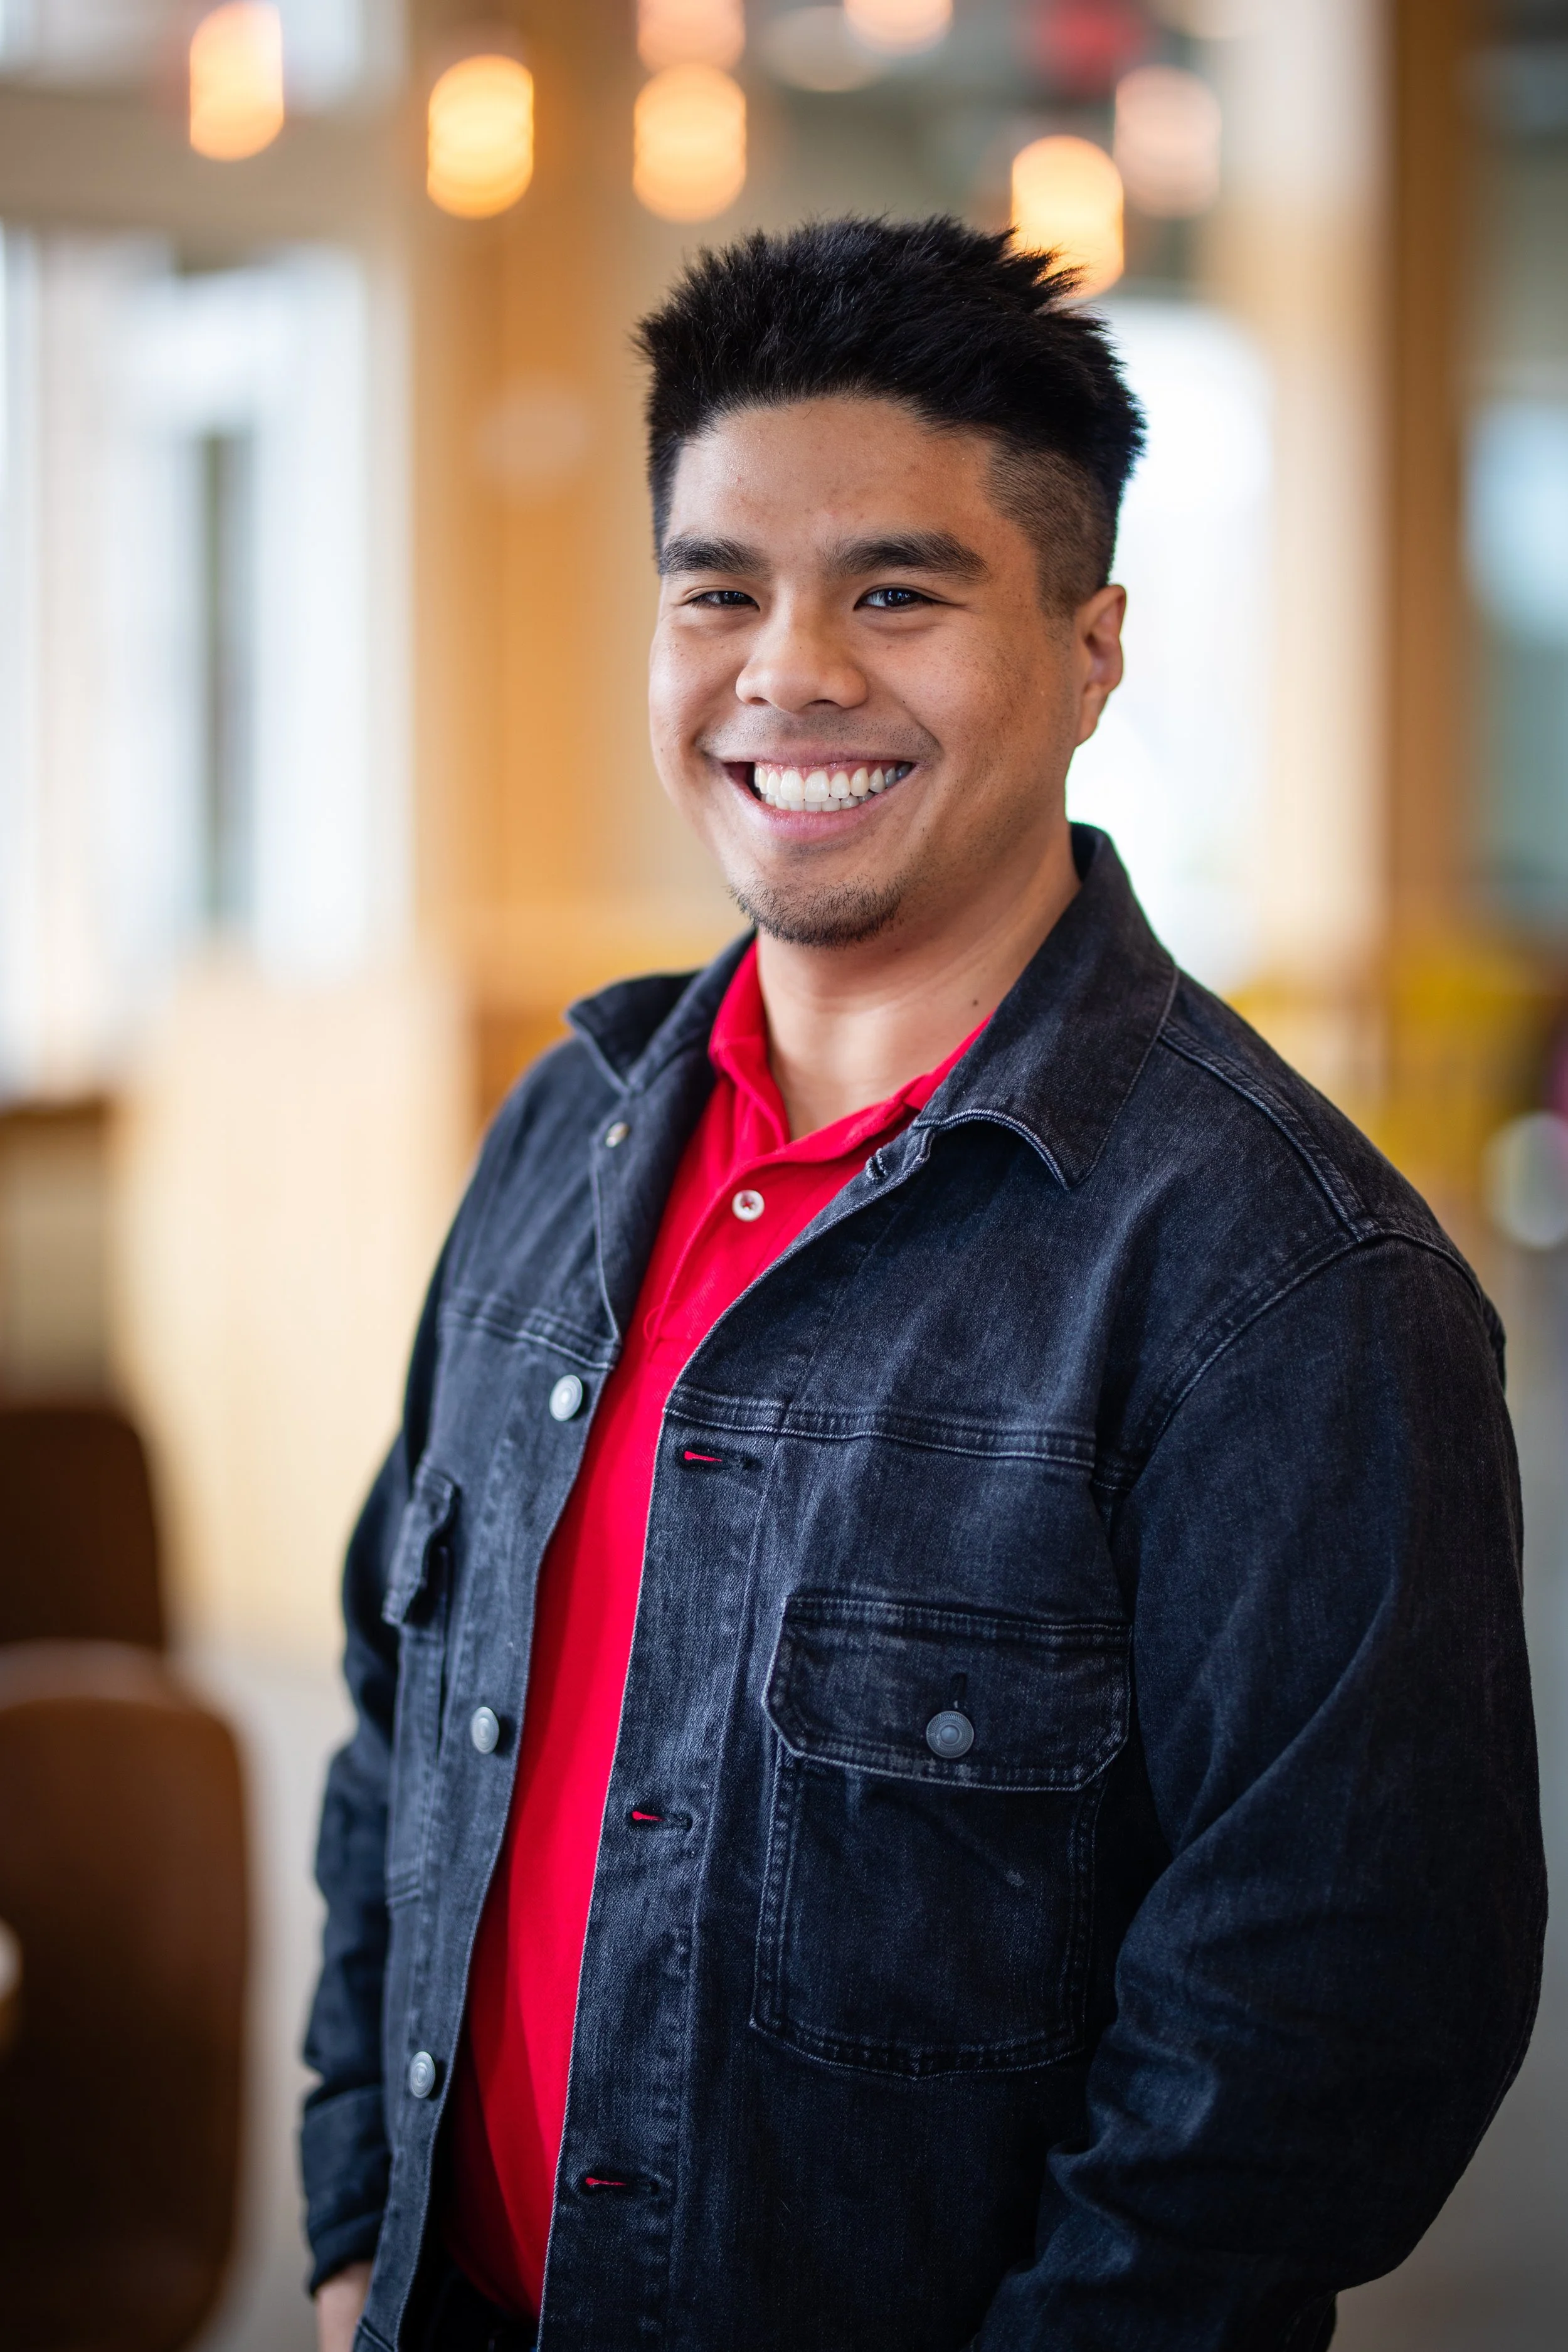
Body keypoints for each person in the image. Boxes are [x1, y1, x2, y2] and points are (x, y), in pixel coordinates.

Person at [304, 218, 1544, 2352]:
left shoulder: (1286, 1281)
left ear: (1088, 646)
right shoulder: (559, 1135)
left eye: (897, 588)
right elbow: (390, 1739)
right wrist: (350, 2237)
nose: (788, 670)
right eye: (719, 590)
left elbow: (1316, 2030)